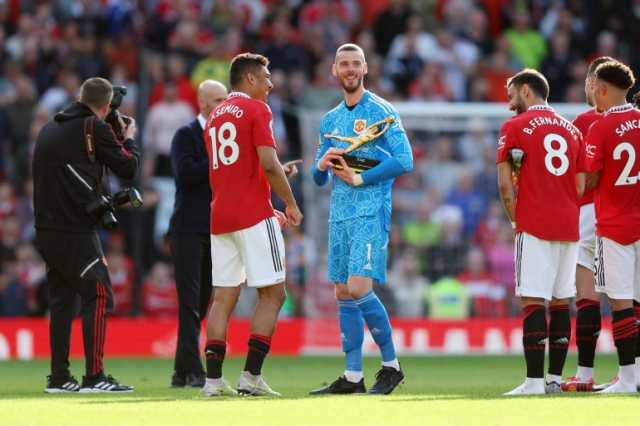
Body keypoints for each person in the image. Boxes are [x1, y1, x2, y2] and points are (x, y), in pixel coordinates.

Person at [310, 43, 413, 395]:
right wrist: (321, 166)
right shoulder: (330, 120)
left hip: (370, 209)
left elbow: (405, 160)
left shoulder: (382, 112)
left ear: (365, 69)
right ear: (334, 71)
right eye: (344, 64)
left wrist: (360, 178)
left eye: (356, 63)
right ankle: (352, 376)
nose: (350, 69)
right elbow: (318, 176)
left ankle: (391, 366)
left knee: (358, 287)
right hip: (340, 214)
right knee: (342, 290)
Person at [200, 53, 303, 397]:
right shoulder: (258, 110)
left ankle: (212, 382)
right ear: (249, 80)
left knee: (223, 298)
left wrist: (271, 174)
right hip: (253, 215)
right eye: (266, 77)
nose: (271, 84)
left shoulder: (214, 116)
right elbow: (268, 163)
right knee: (273, 294)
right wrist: (288, 203)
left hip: (220, 218)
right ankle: (251, 378)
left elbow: (235, 168)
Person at [32, 77, 139, 393]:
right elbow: (129, 167)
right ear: (106, 106)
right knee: (100, 293)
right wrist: (128, 136)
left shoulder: (51, 126)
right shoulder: (94, 127)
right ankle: (95, 376)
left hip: (47, 229)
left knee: (63, 300)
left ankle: (60, 377)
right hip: (74, 229)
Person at [496, 69, 585, 395]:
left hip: (534, 224)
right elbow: (580, 183)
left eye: (512, 95)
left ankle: (533, 383)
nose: (510, 102)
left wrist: (514, 219)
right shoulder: (573, 130)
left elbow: (506, 186)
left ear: (526, 91)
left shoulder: (514, 127)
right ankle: (555, 381)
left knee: (533, 301)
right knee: (562, 302)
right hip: (569, 225)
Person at [584, 59, 640, 393]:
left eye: (593, 87)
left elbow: (589, 178)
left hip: (614, 226)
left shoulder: (601, 128)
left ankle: (628, 379)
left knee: (620, 303)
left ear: (603, 89)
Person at [168, 79, 227, 388]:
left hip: (215, 229)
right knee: (190, 303)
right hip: (188, 229)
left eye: (226, 99)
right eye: (218, 100)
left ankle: (180, 371)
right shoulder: (186, 135)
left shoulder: (226, 138)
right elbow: (185, 174)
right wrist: (218, 157)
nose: (224, 105)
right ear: (203, 103)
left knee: (201, 303)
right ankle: (193, 370)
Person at [561, 56, 613, 392]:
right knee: (629, 296)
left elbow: (577, 175)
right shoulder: (635, 121)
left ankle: (584, 373)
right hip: (628, 212)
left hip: (590, 212)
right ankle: (632, 372)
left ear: (596, 85)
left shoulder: (583, 121)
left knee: (587, 295)